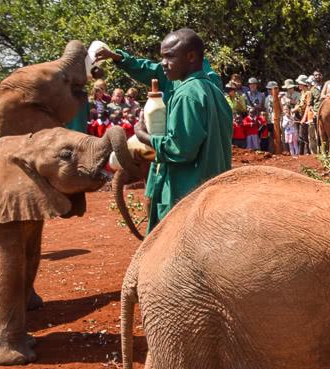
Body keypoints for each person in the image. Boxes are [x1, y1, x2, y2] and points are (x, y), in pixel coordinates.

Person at [94, 28, 233, 230]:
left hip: (186, 192)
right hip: (213, 191)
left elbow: (181, 149)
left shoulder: (186, 93)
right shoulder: (213, 89)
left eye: (169, 56)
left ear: (191, 57)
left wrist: (145, 137)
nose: (163, 64)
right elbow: (146, 68)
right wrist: (118, 57)